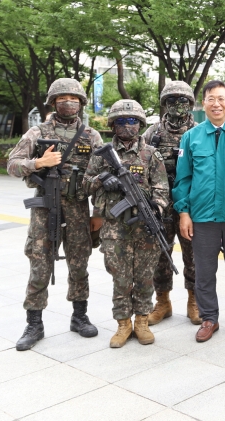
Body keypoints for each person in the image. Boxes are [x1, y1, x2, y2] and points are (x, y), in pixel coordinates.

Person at [7, 78, 103, 351]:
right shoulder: (37, 132)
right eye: (62, 98)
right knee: (40, 264)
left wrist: (98, 212)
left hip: (78, 208)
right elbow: (12, 165)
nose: (68, 102)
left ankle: (79, 316)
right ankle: (34, 323)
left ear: (81, 103)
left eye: (73, 99)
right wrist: (38, 163)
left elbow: (101, 175)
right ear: (53, 102)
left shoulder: (91, 136)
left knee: (79, 263)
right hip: (45, 207)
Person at [84, 99, 170, 348]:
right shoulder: (102, 155)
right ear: (112, 125)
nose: (127, 126)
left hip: (144, 228)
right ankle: (123, 324)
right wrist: (102, 178)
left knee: (144, 277)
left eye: (132, 121)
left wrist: (156, 208)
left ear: (140, 124)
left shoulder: (150, 154)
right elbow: (85, 185)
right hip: (114, 227)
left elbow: (162, 189)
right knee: (120, 278)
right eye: (121, 121)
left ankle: (142, 322)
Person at [173, 80, 225, 342]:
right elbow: (183, 179)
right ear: (203, 103)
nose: (216, 104)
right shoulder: (190, 137)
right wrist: (184, 212)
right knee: (204, 271)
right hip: (202, 216)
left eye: (221, 99)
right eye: (211, 99)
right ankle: (209, 318)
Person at [143, 81, 200, 327]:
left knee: (193, 254)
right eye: (172, 100)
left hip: (190, 204)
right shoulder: (152, 133)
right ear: (164, 104)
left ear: (191, 104)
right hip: (160, 205)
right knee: (159, 254)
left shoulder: (199, 131)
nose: (178, 105)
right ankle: (162, 302)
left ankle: (194, 300)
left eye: (183, 100)